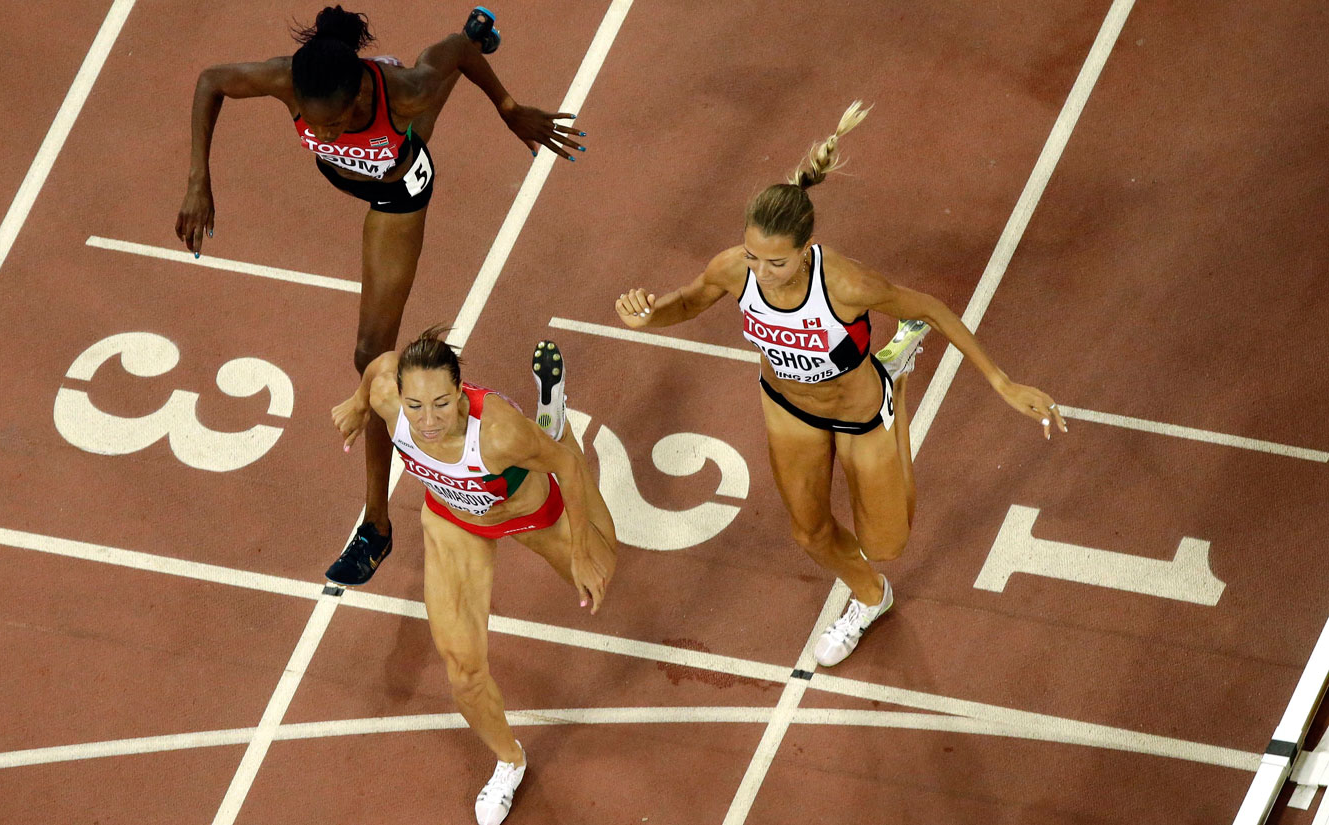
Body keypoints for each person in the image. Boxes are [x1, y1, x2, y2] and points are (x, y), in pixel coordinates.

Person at [614, 102, 1067, 667]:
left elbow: (932, 308)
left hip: (858, 411)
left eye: (776, 263)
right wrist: (647, 315)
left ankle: (895, 378)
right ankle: (870, 597)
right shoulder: (734, 268)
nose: (759, 271)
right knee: (809, 533)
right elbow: (686, 302)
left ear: (805, 250)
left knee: (886, 544)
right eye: (753, 255)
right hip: (786, 407)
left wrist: (1002, 382)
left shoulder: (848, 284)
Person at [176, 6, 585, 586]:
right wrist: (199, 178)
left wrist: (510, 110)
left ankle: (376, 527)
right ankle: (470, 31)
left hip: (398, 190)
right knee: (424, 96)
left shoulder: (404, 92)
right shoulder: (286, 78)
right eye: (311, 125)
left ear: (358, 102)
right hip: (353, 169)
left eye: (333, 125)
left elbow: (457, 66)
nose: (320, 135)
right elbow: (210, 80)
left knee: (371, 358)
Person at [332, 328, 616, 825]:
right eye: (416, 406)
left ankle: (555, 423)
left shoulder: (500, 432)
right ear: (401, 397)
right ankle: (509, 760)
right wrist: (358, 404)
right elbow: (380, 365)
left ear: (461, 395)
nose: (428, 420)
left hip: (529, 508)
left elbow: (568, 470)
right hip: (454, 521)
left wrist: (581, 555)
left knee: (605, 568)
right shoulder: (388, 398)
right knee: (462, 669)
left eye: (441, 403)